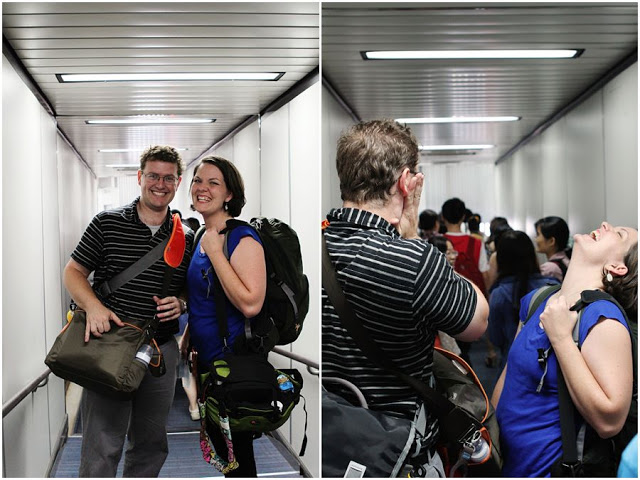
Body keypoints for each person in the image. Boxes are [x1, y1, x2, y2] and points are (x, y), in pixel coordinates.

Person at [322, 119, 488, 475]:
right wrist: (413, 237)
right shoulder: (415, 261)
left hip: (327, 442)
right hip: (395, 450)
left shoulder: (310, 243)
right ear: (406, 181)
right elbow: (476, 323)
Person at [62, 145, 194, 477]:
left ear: (177, 183)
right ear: (140, 177)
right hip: (111, 346)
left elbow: (189, 290)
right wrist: (92, 307)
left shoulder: (186, 236)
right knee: (102, 445)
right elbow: (73, 272)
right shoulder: (106, 223)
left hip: (159, 351)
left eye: (168, 178)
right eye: (153, 175)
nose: (160, 184)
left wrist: (182, 303)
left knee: (150, 444)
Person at [492, 222, 637, 477]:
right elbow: (509, 378)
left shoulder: (604, 319)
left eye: (619, 233)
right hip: (506, 465)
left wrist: (560, 339)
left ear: (616, 267)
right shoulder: (538, 299)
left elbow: (610, 421)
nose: (605, 224)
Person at [181, 156, 266, 477]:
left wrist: (217, 253)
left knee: (239, 457)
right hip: (207, 365)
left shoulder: (240, 238)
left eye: (213, 183)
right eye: (198, 181)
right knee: (225, 452)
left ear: (229, 194)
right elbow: (203, 296)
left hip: (234, 365)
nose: (202, 188)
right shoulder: (201, 237)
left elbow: (250, 303)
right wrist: (189, 336)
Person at [487, 230, 559, 371]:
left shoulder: (499, 293)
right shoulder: (552, 286)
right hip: (549, 365)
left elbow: (495, 338)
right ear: (532, 256)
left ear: (501, 259)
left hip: (511, 365)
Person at [428, 235, 462, 355]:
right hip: (440, 345)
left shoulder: (449, 277)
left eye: (454, 252)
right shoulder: (436, 282)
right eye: (448, 253)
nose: (453, 257)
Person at [535, 215, 571, 281]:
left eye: (538, 235)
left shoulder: (549, 269)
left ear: (551, 241)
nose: (535, 239)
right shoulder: (567, 260)